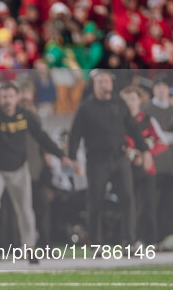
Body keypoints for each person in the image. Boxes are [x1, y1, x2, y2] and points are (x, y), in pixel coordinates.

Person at [0, 82, 69, 256]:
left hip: (19, 169)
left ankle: (29, 248)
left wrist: (61, 155)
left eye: (11, 96)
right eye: (4, 97)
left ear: (17, 98)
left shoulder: (25, 115)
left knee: (25, 209)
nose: (7, 100)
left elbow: (41, 137)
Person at [69, 70, 152, 246]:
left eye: (107, 81)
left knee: (128, 200)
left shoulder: (119, 103)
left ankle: (129, 242)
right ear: (94, 85)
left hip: (120, 158)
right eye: (101, 81)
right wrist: (73, 158)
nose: (105, 84)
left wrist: (144, 151)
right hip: (96, 160)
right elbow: (75, 134)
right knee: (95, 202)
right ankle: (96, 245)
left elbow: (133, 129)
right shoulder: (86, 107)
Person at [120, 86, 167, 246]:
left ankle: (150, 241)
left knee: (148, 206)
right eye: (126, 100)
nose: (130, 103)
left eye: (132, 99)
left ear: (140, 100)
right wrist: (133, 154)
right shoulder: (119, 121)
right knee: (129, 206)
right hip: (126, 169)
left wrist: (148, 153)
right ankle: (131, 240)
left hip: (147, 169)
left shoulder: (148, 120)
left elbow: (162, 142)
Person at [142, 74, 173, 243]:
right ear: (154, 89)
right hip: (154, 164)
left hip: (170, 165)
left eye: (165, 87)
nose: (162, 90)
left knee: (169, 204)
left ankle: (166, 238)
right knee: (151, 203)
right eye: (158, 86)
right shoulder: (146, 110)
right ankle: (151, 239)